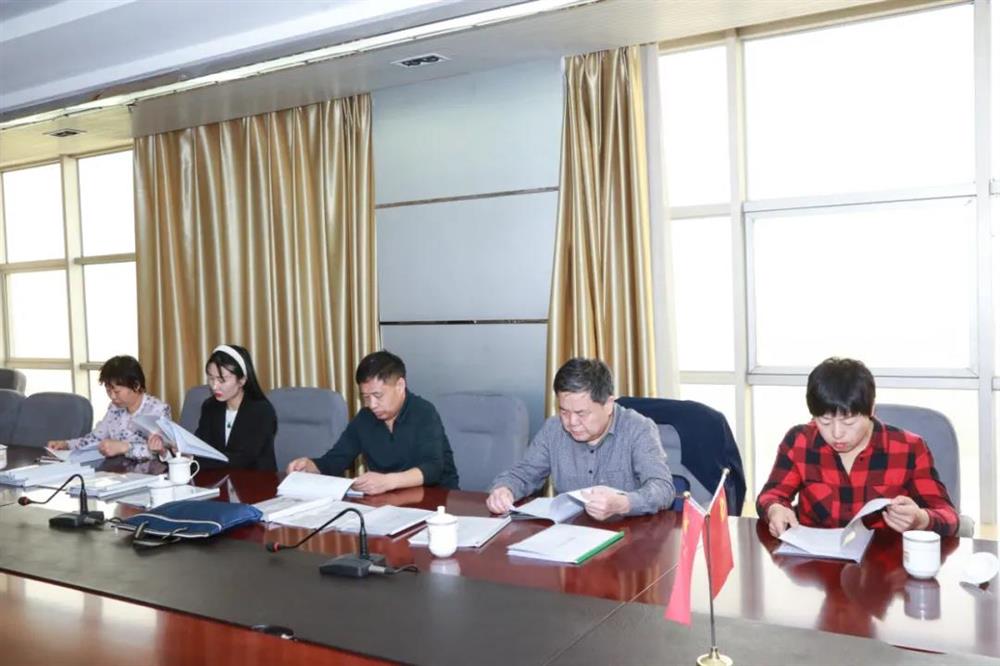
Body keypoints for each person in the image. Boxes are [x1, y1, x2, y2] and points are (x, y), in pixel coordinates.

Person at [756, 357, 959, 538]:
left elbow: (949, 516)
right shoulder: (799, 440)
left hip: (883, 562)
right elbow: (771, 495)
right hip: (817, 561)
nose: (837, 433)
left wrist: (921, 519)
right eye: (824, 421)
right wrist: (775, 509)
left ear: (871, 409)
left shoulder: (910, 448)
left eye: (849, 421)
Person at [486, 357, 675, 522]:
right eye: (564, 411)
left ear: (608, 405)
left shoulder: (638, 428)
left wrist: (623, 503)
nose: (571, 422)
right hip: (570, 533)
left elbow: (663, 488)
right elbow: (524, 473)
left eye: (581, 413)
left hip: (628, 533)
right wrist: (504, 490)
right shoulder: (553, 429)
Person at [286, 350, 459, 494]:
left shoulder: (424, 412)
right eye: (366, 397)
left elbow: (433, 468)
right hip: (387, 502)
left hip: (435, 502)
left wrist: (388, 481)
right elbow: (336, 460)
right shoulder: (365, 418)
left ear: (400, 386)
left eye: (377, 395)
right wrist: (310, 466)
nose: (372, 405)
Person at [150, 344, 277, 470]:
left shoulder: (261, 411)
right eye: (211, 378)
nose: (214, 386)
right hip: (217, 479)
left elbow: (242, 460)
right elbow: (200, 447)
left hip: (255, 480)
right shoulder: (210, 407)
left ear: (242, 380)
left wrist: (192, 456)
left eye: (222, 380)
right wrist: (165, 451)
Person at [48, 355, 171, 459]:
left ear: (136, 385)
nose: (112, 396)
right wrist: (66, 445)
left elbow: (166, 452)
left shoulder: (158, 410)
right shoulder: (115, 408)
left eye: (117, 392)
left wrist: (125, 447)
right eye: (108, 391)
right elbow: (95, 438)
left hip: (149, 473)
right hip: (118, 471)